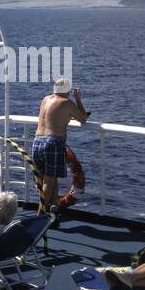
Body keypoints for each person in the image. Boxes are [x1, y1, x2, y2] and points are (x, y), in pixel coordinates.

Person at [32, 78, 87, 217]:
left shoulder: (45, 99)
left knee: (49, 180)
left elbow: (55, 117)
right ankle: (39, 217)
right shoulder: (67, 103)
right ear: (68, 92)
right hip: (53, 143)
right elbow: (83, 118)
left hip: (37, 142)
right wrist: (78, 100)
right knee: (49, 182)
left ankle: (52, 212)